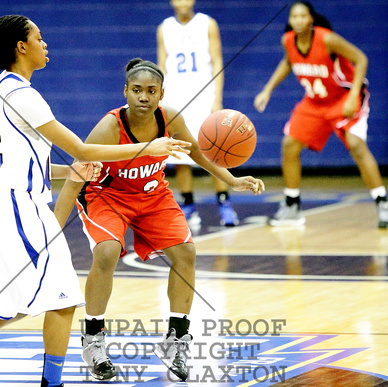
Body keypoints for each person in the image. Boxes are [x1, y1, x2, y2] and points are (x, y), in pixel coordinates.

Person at [0, 16, 191, 387]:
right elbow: (83, 147)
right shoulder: (23, 95)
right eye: (38, 38)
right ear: (21, 47)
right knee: (62, 298)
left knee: (15, 304)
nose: (45, 43)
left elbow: (29, 162)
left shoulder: (1, 89)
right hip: (13, 206)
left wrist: (69, 172)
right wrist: (149, 147)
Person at [54, 58, 264, 381]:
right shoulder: (109, 128)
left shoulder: (171, 117)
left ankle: (176, 340)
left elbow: (196, 153)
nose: (143, 97)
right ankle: (93, 339)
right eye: (137, 90)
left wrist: (232, 181)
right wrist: (53, 229)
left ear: (161, 94)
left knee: (186, 252)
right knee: (107, 251)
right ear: (125, 91)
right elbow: (74, 175)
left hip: (152, 195)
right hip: (106, 196)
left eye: (151, 91)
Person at [254, 1, 387, 229]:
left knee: (356, 145)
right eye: (293, 16)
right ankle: (292, 207)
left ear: (311, 19)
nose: (297, 20)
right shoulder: (288, 41)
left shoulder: (327, 39)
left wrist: (354, 94)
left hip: (344, 96)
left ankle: (382, 202)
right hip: (315, 103)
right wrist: (267, 89)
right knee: (289, 145)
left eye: (302, 16)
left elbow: (361, 59)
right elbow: (288, 62)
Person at [157, 0, 239, 227]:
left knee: (214, 150)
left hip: (204, 95)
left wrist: (217, 98)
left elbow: (217, 61)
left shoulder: (207, 23)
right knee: (180, 152)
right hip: (176, 96)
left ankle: (224, 203)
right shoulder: (164, 27)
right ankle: (188, 203)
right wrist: (160, 97)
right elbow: (162, 64)